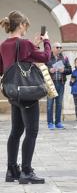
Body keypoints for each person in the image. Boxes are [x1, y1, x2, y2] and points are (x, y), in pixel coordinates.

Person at [0, 10, 51, 184]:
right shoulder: (24, 43)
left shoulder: (4, 44)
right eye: (25, 26)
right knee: (32, 131)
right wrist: (47, 42)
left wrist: (32, 46)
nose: (26, 30)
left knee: (16, 132)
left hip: (13, 92)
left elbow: (2, 68)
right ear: (21, 24)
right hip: (28, 94)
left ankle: (12, 170)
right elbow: (46, 57)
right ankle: (26, 172)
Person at [47, 42, 72, 130]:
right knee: (50, 104)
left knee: (59, 104)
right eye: (57, 47)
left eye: (60, 47)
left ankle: (58, 122)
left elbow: (70, 70)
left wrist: (63, 70)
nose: (59, 49)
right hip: (51, 84)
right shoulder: (48, 57)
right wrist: (49, 70)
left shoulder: (64, 58)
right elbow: (42, 68)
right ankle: (50, 122)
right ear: (53, 48)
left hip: (60, 84)